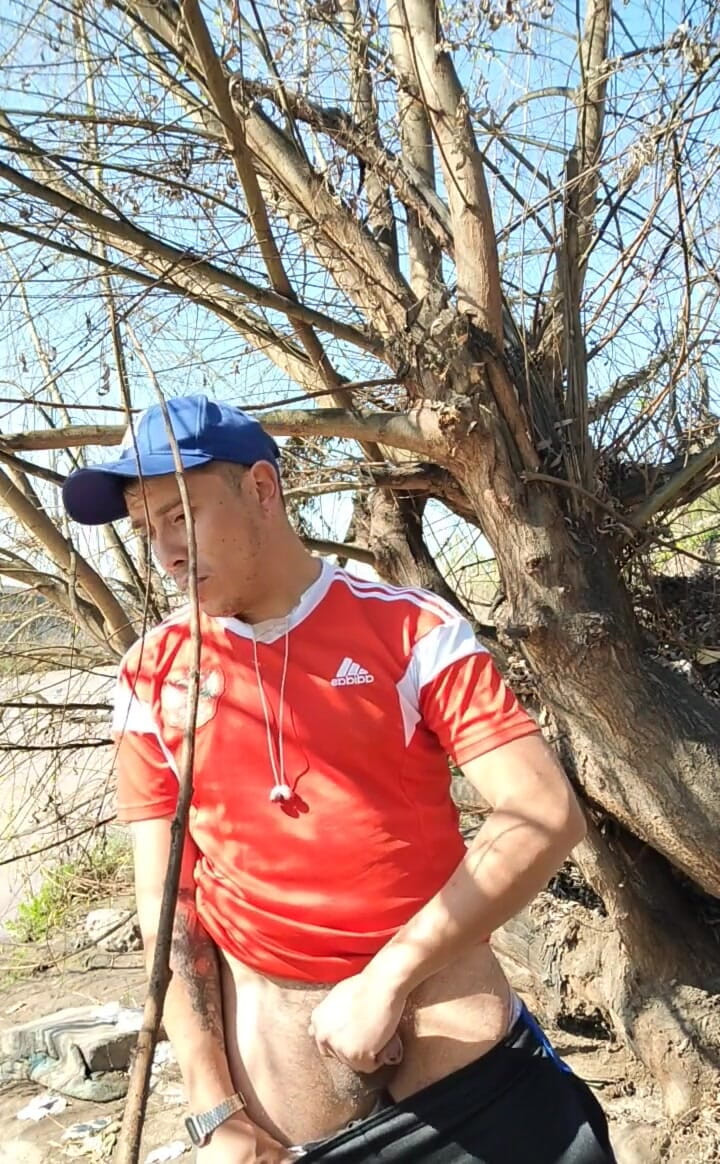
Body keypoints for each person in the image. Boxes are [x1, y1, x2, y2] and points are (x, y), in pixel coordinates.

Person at [63, 394, 616, 1164]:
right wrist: (210, 1108)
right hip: (282, 1070)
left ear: (262, 489)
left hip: (449, 1030)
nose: (165, 553)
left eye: (180, 516)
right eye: (144, 529)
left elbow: (543, 810)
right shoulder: (152, 676)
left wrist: (389, 977)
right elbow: (167, 903)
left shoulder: (411, 628)